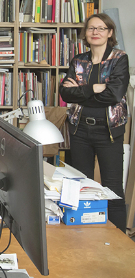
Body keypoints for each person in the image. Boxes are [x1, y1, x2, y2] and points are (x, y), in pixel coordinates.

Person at [59, 13, 129, 232]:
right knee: (80, 186)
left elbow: (114, 95)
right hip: (79, 130)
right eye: (91, 28)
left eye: (101, 28)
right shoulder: (78, 60)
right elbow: (65, 94)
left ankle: (119, 239)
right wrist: (94, 88)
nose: (95, 32)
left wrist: (80, 92)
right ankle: (82, 235)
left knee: (112, 188)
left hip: (109, 131)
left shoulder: (119, 59)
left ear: (109, 33)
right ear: (85, 33)